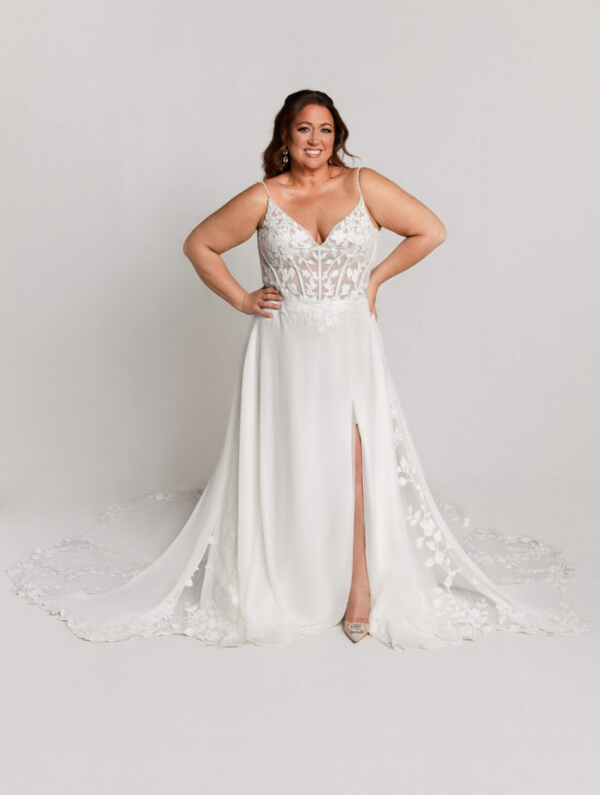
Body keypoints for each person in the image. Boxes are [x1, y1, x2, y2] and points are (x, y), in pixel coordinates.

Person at [6, 89, 588, 649]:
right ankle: (292, 575)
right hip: (282, 345)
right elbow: (200, 244)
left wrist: (374, 280)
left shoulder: (364, 185)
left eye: (325, 129)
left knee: (356, 457)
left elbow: (430, 230)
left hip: (350, 341)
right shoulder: (264, 195)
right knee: (294, 456)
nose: (315, 138)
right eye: (304, 128)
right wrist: (241, 299)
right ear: (286, 136)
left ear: (338, 138)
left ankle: (359, 586)